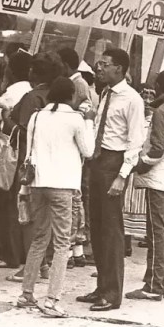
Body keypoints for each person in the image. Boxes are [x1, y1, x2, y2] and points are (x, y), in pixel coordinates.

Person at [17, 77, 95, 317]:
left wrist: (25, 189)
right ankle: (52, 298)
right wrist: (90, 122)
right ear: (71, 96)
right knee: (62, 243)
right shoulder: (75, 120)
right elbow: (89, 151)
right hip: (63, 185)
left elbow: (28, 152)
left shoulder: (37, 116)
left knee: (40, 237)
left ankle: (26, 293)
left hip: (38, 183)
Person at [76, 48, 145, 312]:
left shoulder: (132, 99)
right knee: (97, 227)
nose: (99, 68)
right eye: (98, 64)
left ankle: (112, 293)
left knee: (112, 230)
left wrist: (121, 176)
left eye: (104, 64)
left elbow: (135, 142)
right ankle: (101, 286)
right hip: (98, 160)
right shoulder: (104, 94)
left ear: (120, 68)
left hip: (114, 164)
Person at [125, 69, 164, 302]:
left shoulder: (162, 112)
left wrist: (140, 165)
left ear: (161, 87)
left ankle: (153, 286)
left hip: (157, 179)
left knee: (155, 233)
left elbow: (158, 149)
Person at [6, 51, 64, 282]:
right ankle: (44, 264)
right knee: (46, 215)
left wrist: (6, 119)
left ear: (33, 72)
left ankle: (31, 266)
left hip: (30, 162)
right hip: (53, 161)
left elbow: (24, 132)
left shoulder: (32, 97)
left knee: (27, 214)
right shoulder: (57, 96)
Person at [0, 49, 33, 269]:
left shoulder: (13, 91)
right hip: (25, 154)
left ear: (11, 70)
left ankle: (9, 254)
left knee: (6, 205)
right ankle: (20, 253)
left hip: (9, 154)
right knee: (19, 203)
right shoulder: (32, 90)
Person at [57, 47, 94, 269]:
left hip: (77, 146)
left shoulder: (78, 83)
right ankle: (75, 249)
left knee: (75, 199)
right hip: (74, 144)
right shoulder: (72, 81)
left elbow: (86, 109)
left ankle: (74, 248)